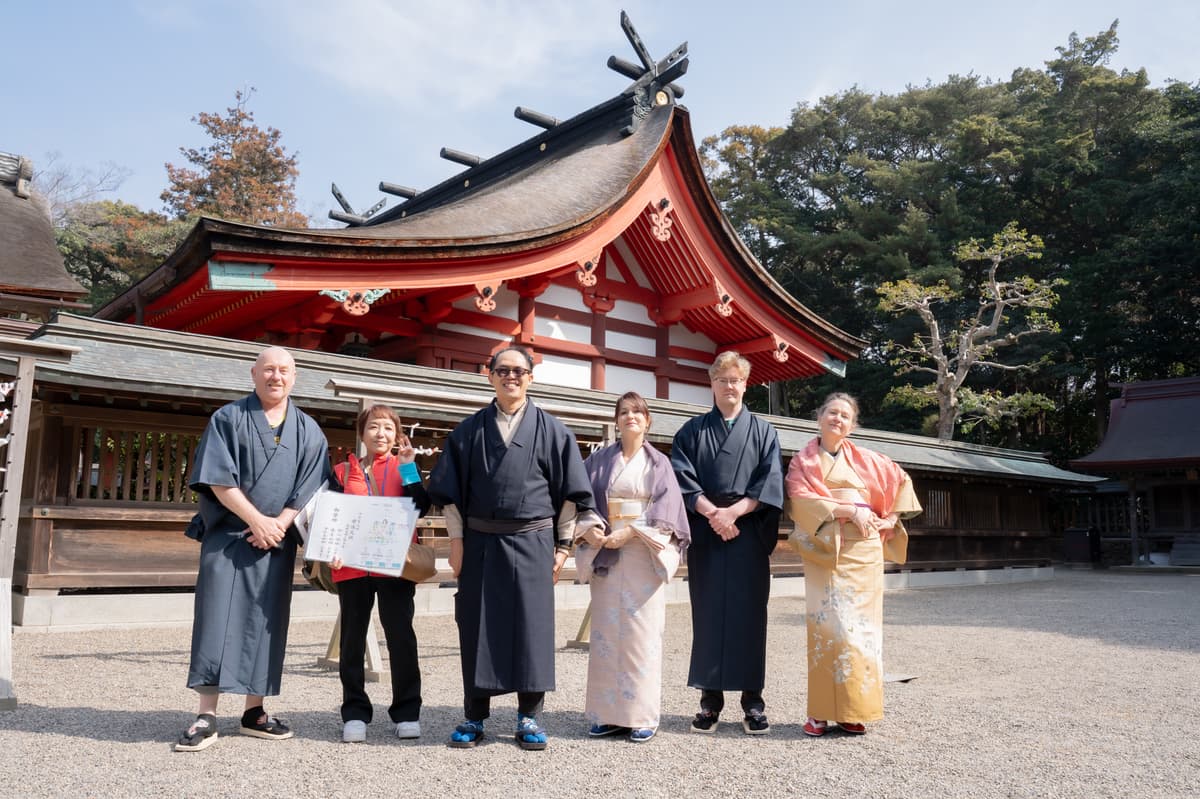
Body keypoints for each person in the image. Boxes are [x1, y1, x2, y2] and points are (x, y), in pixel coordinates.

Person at [426, 346, 599, 750]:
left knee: (531, 629)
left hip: (534, 541)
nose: (511, 377)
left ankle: (529, 716)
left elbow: (570, 496)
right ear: (489, 375)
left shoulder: (554, 431)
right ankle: (474, 715)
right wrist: (455, 544)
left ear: (531, 378)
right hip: (480, 541)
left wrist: (562, 548)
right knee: (476, 626)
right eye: (502, 370)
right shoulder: (467, 432)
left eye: (519, 371)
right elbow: (450, 496)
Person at [175, 346, 330, 752]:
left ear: (294, 378)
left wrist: (276, 525)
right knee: (215, 621)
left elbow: (311, 487)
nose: (276, 376)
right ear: (253, 374)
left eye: (284, 370)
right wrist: (256, 521)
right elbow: (217, 479)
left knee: (265, 624)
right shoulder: (227, 419)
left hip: (275, 543)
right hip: (228, 538)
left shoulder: (309, 430)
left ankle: (253, 711)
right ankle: (206, 712)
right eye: (268, 369)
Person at [785, 392, 922, 736]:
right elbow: (799, 499)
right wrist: (849, 510)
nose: (838, 419)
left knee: (861, 632)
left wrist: (889, 519)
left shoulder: (868, 459)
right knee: (826, 630)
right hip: (825, 548)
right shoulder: (803, 461)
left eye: (845, 415)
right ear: (819, 417)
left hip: (863, 552)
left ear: (853, 424)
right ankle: (819, 712)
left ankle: (853, 710)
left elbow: (901, 481)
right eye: (832, 412)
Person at [671, 351, 784, 736]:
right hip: (707, 531)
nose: (729, 386)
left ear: (745, 384)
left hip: (747, 531)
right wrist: (712, 514)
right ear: (712, 384)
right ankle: (709, 701)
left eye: (735, 379)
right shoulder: (691, 431)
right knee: (708, 615)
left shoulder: (764, 431)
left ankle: (753, 701)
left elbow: (769, 482)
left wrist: (733, 513)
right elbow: (681, 478)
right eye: (722, 380)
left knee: (750, 616)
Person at [575, 392, 690, 743]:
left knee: (642, 637)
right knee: (607, 637)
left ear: (648, 420)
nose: (630, 417)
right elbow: (582, 499)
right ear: (616, 420)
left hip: (643, 554)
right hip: (607, 551)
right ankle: (607, 715)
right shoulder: (598, 461)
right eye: (624, 412)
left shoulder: (660, 464)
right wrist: (591, 528)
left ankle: (642, 715)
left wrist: (633, 531)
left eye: (637, 412)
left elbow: (667, 510)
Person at [329, 404, 431, 743]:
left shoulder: (405, 469)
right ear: (362, 433)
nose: (381, 433)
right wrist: (330, 548)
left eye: (388, 427)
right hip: (353, 564)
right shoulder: (343, 470)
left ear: (397, 434)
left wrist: (409, 468)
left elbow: (422, 505)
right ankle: (355, 712)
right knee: (352, 638)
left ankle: (406, 711)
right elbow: (330, 514)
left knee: (401, 635)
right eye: (374, 427)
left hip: (395, 563)